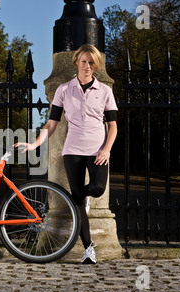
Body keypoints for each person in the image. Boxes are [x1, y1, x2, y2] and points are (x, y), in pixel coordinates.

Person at [14, 44, 118, 264]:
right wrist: (35, 144)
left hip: (97, 149)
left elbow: (113, 126)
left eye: (91, 63)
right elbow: (52, 123)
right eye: (84, 62)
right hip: (72, 151)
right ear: (76, 63)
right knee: (79, 202)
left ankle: (80, 199)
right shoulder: (63, 90)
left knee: (97, 189)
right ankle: (88, 249)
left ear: (96, 65)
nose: (87, 66)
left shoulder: (105, 91)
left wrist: (106, 149)